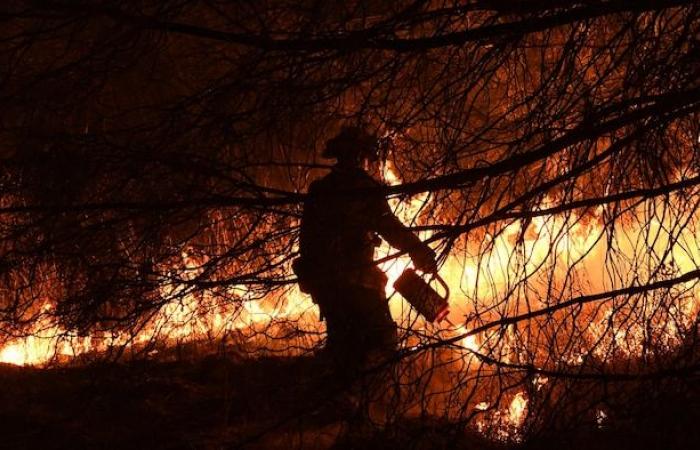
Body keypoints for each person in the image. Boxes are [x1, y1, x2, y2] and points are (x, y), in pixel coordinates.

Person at [295, 127, 437, 368]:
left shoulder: (320, 191)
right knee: (382, 346)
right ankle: (370, 397)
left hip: (326, 287)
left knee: (342, 349)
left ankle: (337, 398)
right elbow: (389, 227)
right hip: (358, 284)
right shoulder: (364, 188)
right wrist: (419, 251)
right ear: (362, 156)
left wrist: (313, 279)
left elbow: (306, 240)